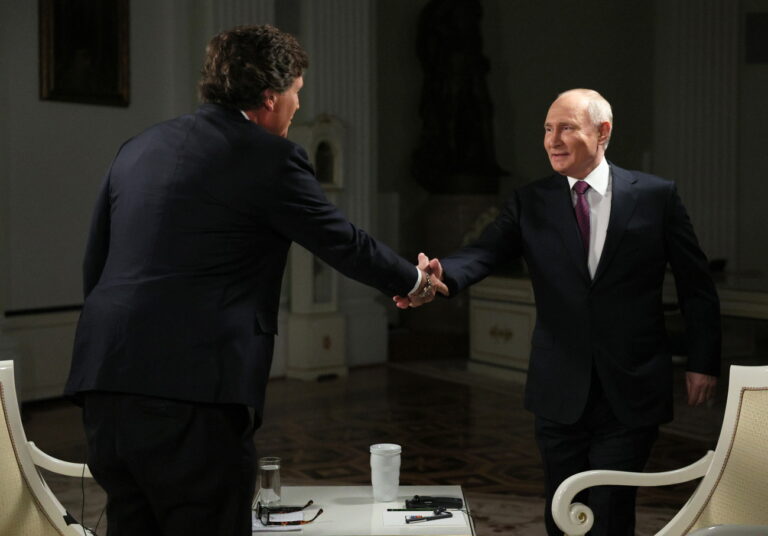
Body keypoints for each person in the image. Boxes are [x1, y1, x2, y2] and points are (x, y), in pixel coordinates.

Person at [65, 25, 446, 536]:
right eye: (295, 93)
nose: (295, 106)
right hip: (194, 392)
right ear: (270, 96)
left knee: (134, 525)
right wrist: (414, 280)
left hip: (104, 379)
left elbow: (97, 265)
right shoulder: (269, 158)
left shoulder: (138, 147)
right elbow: (342, 241)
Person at [396, 88, 721, 535]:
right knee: (563, 512)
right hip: (558, 388)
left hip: (631, 386)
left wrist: (702, 362)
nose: (553, 139)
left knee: (609, 514)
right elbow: (483, 253)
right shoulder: (531, 201)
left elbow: (696, 285)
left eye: (566, 127)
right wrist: (438, 277)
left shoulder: (655, 196)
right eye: (548, 129)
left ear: (603, 132)